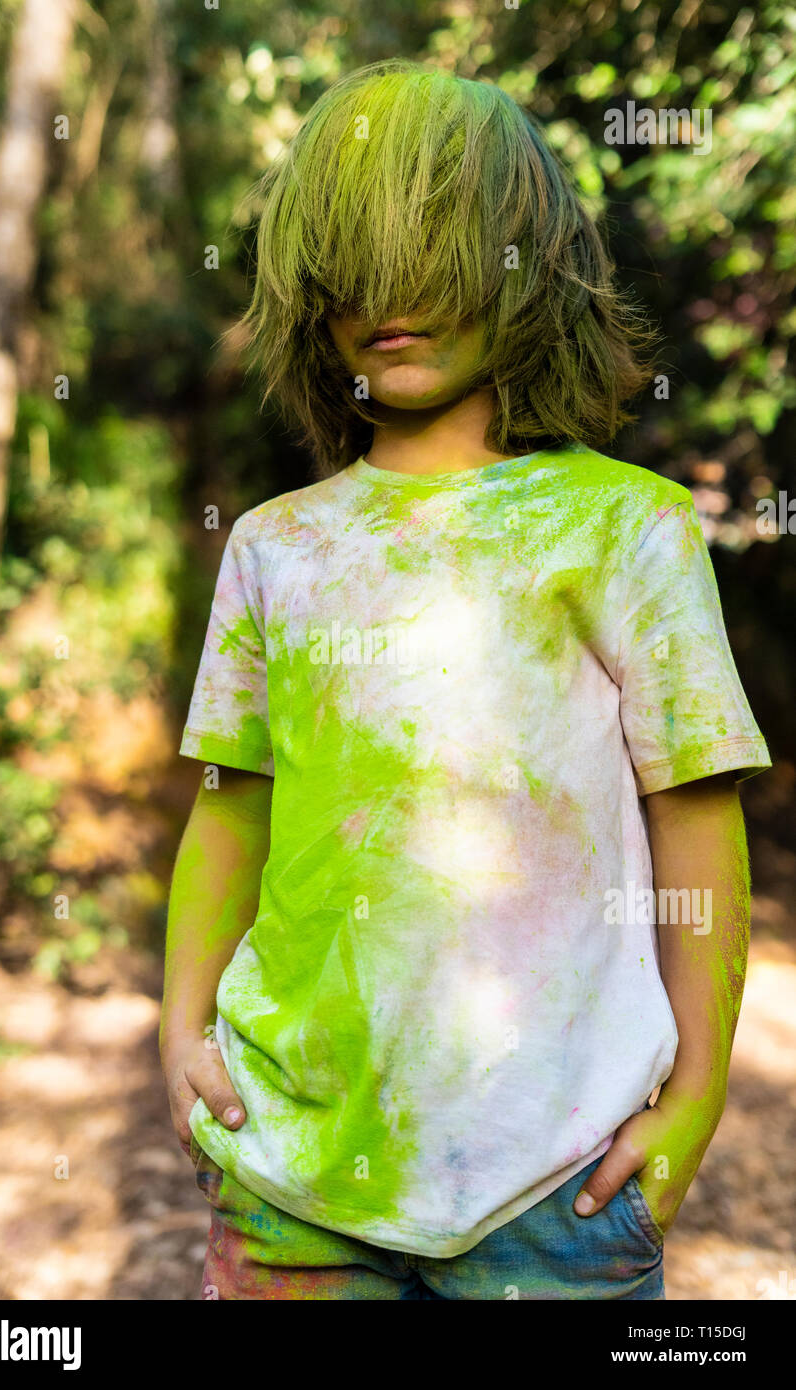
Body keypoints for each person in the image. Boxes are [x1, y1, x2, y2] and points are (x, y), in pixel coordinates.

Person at [160, 60, 771, 1300]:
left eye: (431, 258)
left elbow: (694, 817)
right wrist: (180, 1030)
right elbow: (228, 809)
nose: (388, 301)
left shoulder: (624, 528)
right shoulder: (276, 545)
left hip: (557, 1182)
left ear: (524, 267)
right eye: (352, 269)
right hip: (290, 1171)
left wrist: (697, 1088)